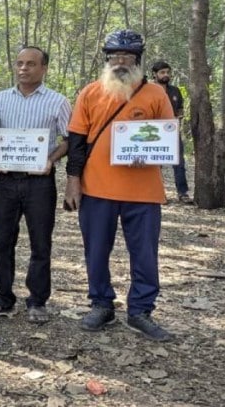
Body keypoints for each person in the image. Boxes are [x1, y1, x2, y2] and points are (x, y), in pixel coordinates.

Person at [65, 30, 174, 342]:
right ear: (107, 59)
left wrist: (151, 153)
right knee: (96, 251)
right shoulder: (89, 93)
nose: (120, 62)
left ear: (138, 60)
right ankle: (101, 304)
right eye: (114, 56)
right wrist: (73, 181)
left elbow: (167, 136)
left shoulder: (156, 94)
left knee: (144, 253)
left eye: (127, 56)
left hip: (144, 192)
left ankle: (140, 310)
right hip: (97, 188)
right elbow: (76, 142)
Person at [0, 47, 71, 323]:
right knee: (2, 241)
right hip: (7, 181)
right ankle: (3, 296)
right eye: (19, 63)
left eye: (31, 64)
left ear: (43, 68)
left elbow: (70, 139)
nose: (23, 68)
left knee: (40, 243)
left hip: (40, 183)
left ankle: (37, 301)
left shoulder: (58, 101)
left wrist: (51, 160)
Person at [151, 61, 192, 204]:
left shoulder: (175, 91)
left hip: (172, 131)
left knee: (179, 162)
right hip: (153, 132)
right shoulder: (147, 89)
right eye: (162, 72)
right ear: (154, 74)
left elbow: (180, 109)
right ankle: (158, 193)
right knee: (155, 165)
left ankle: (183, 193)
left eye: (167, 72)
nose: (166, 75)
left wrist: (177, 118)